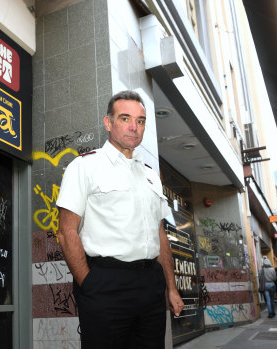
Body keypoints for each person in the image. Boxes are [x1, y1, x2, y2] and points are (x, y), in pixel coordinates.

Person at [56, 90, 184, 348]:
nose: (134, 127)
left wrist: (170, 287)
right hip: (105, 283)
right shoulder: (84, 166)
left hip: (150, 284)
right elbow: (66, 232)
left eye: (140, 120)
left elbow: (160, 235)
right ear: (108, 123)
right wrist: (89, 284)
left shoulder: (150, 175)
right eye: (125, 118)